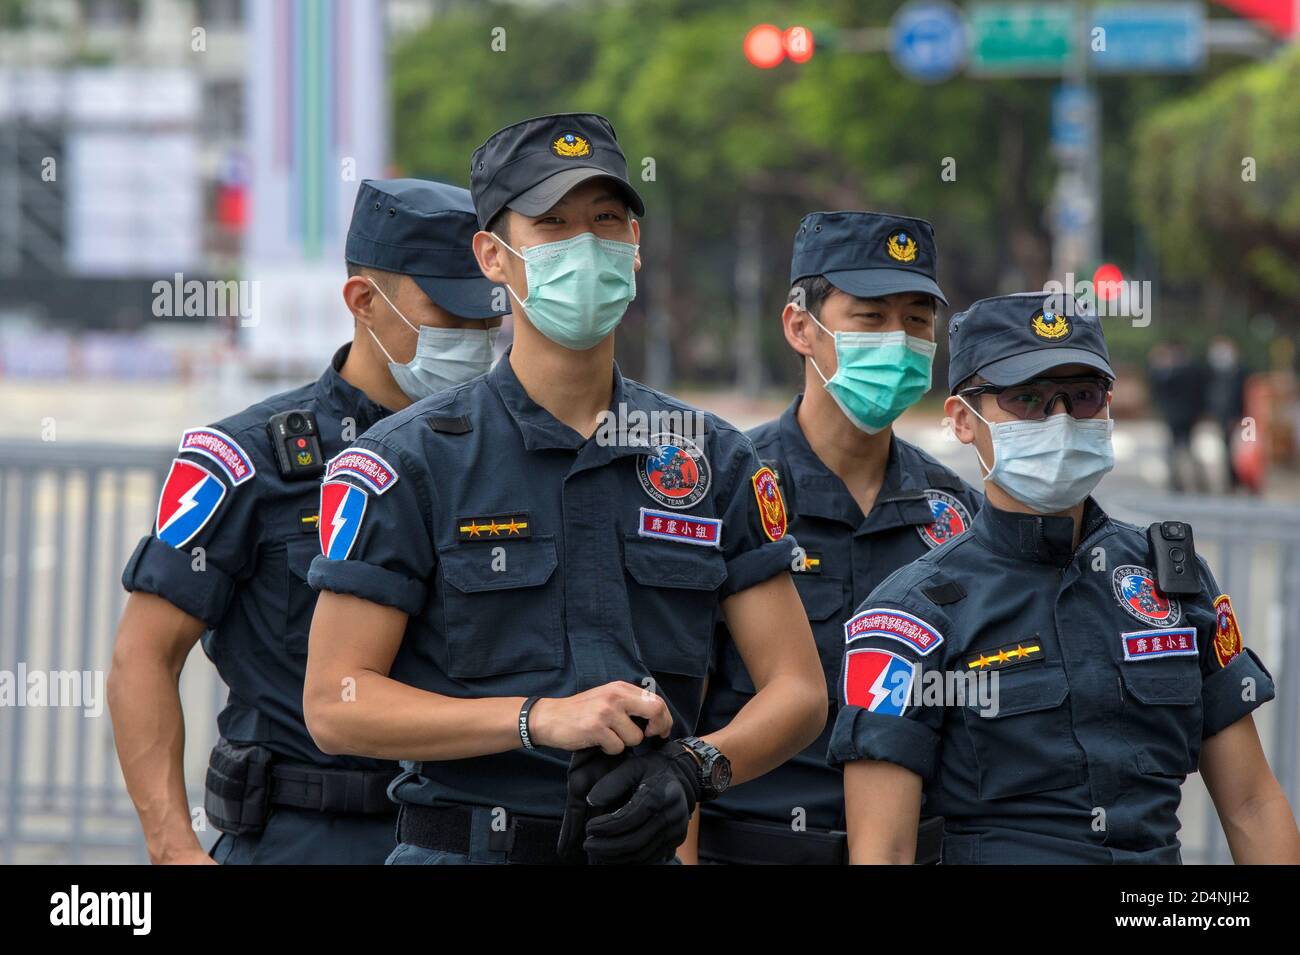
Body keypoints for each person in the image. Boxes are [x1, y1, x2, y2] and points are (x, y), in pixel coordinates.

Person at [302, 112, 826, 866]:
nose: (587, 244)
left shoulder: (713, 457)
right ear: (493, 255)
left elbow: (799, 691)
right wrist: (537, 719)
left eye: (607, 219)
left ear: (635, 247)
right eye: (552, 223)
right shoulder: (410, 461)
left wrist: (695, 766)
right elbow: (334, 702)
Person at [108, 179, 503, 864]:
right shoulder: (246, 459)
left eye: (484, 320)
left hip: (458, 837)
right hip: (302, 834)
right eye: (448, 313)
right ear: (363, 301)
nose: (471, 338)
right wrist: (173, 847)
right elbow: (143, 655)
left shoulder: (498, 460)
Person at [832, 292, 1300, 864]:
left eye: (1082, 397)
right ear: (961, 419)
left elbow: (1252, 803)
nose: (1059, 420)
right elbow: (885, 852)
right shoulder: (913, 615)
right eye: (1027, 399)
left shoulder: (1170, 580)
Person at [687, 211, 981, 865]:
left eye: (916, 321)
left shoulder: (956, 511)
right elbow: (678, 722)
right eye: (870, 318)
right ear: (801, 328)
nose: (899, 342)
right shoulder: (728, 490)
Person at [1205, 335, 1248, 492]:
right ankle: (1231, 480)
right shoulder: (1213, 372)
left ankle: (1239, 480)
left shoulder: (1241, 371)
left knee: (1238, 450)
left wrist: (1239, 415)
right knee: (1226, 449)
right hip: (1221, 416)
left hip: (1239, 417)